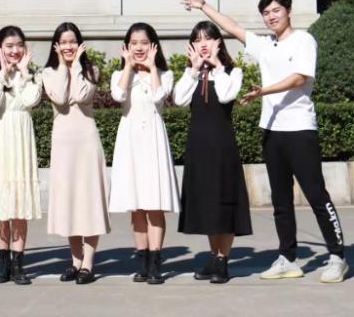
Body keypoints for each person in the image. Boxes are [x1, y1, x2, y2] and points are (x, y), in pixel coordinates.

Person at [180, 0, 348, 283]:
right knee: (280, 201)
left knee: (316, 195)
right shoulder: (265, 44)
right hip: (272, 130)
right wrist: (204, 6)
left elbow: (300, 77)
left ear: (288, 11)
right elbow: (233, 28)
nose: (271, 17)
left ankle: (337, 256)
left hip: (300, 129)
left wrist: (264, 91)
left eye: (276, 10)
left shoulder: (304, 40)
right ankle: (288, 259)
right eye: (266, 13)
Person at [173, 21, 251, 284]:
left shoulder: (232, 72)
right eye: (197, 40)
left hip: (222, 147)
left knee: (224, 203)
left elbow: (227, 95)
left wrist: (217, 65)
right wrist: (194, 69)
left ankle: (222, 259)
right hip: (198, 148)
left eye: (207, 38)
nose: (203, 44)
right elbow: (179, 99)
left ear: (218, 42)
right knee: (208, 204)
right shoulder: (193, 74)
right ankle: (214, 256)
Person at [108, 22, 179, 285]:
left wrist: (151, 69)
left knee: (154, 204)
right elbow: (118, 95)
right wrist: (128, 66)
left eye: (144, 43)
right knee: (136, 205)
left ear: (153, 46)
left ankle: (156, 263)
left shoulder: (164, 74)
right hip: (129, 141)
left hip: (153, 140)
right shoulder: (120, 74)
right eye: (134, 43)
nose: (139, 48)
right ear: (127, 46)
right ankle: (143, 261)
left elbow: (159, 97)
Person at [42, 22, 110, 285]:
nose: (68, 46)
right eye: (63, 42)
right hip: (63, 144)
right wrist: (63, 66)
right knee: (69, 202)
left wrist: (77, 67)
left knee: (88, 201)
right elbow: (60, 98)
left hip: (86, 143)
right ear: (56, 46)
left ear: (80, 44)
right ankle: (75, 261)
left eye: (72, 41)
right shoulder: (48, 73)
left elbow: (81, 95)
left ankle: (88, 264)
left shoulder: (91, 70)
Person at [0, 25, 44, 285]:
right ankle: (3, 263)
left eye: (19, 45)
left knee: (19, 205)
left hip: (21, 140)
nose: (15, 50)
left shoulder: (33, 75)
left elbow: (30, 100)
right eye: (9, 46)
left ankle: (19, 264)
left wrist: (25, 75)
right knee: (0, 206)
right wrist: (3, 75)